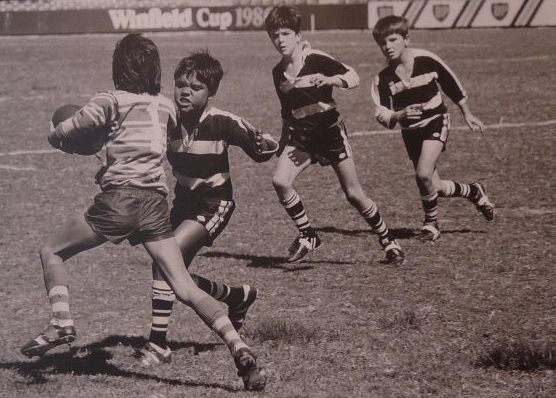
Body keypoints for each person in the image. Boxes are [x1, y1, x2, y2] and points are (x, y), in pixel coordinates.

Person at [20, 34, 266, 392]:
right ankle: (240, 348)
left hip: (119, 202)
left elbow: (68, 132)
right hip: (156, 205)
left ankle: (61, 322)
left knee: (51, 250)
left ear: (118, 67)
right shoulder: (165, 107)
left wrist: (59, 136)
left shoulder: (107, 100)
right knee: (182, 285)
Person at [136, 50, 278, 368]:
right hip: (182, 205)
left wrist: (268, 144)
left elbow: (264, 147)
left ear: (210, 92)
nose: (185, 91)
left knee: (164, 260)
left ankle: (158, 344)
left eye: (196, 87)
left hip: (216, 204)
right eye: (180, 84)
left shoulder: (222, 122)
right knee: (175, 273)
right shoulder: (166, 120)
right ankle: (235, 295)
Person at [264, 6, 404, 265]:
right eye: (274, 35)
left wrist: (330, 80)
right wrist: (282, 143)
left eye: (285, 33)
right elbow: (287, 112)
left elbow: (353, 77)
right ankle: (308, 234)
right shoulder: (277, 73)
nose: (280, 40)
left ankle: (388, 241)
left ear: (297, 34)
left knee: (354, 194)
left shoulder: (316, 58)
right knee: (280, 181)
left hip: (330, 132)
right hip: (302, 136)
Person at [371, 15, 494, 241]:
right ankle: (475, 191)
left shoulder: (426, 60)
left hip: (436, 120)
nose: (387, 47)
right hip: (411, 132)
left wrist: (467, 113)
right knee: (433, 185)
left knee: (422, 174)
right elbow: (381, 112)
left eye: (393, 40)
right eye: (382, 43)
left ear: (407, 39)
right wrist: (399, 115)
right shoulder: (383, 79)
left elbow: (451, 83)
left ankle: (431, 225)